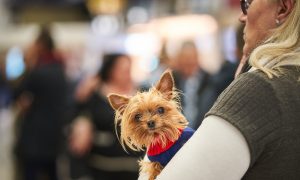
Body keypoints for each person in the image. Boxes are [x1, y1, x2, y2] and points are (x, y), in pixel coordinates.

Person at [145, 0, 300, 179]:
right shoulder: (288, 80)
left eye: (247, 3)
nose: (242, 16)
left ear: (282, 8)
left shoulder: (262, 87)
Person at [69, 53, 141, 180]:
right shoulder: (96, 93)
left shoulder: (141, 93)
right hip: (103, 165)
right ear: (111, 70)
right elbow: (78, 114)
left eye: (128, 68)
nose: (127, 72)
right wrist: (82, 121)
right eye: (122, 69)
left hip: (135, 165)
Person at [13, 26, 68, 180]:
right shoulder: (59, 69)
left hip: (34, 139)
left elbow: (16, 92)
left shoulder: (37, 72)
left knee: (30, 174)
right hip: (54, 136)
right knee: (52, 173)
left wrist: (28, 64)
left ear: (40, 46)